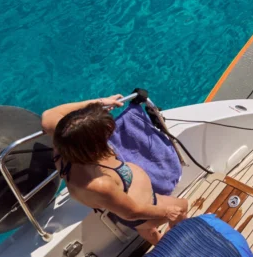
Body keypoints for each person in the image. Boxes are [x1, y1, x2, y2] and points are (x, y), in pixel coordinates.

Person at [41, 95, 188, 244]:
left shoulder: (66, 143)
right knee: (181, 206)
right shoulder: (99, 184)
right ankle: (177, 242)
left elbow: (48, 115)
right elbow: (132, 212)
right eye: (106, 133)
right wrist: (167, 212)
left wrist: (99, 103)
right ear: (93, 145)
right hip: (142, 209)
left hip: (119, 202)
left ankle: (158, 241)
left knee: (148, 231)